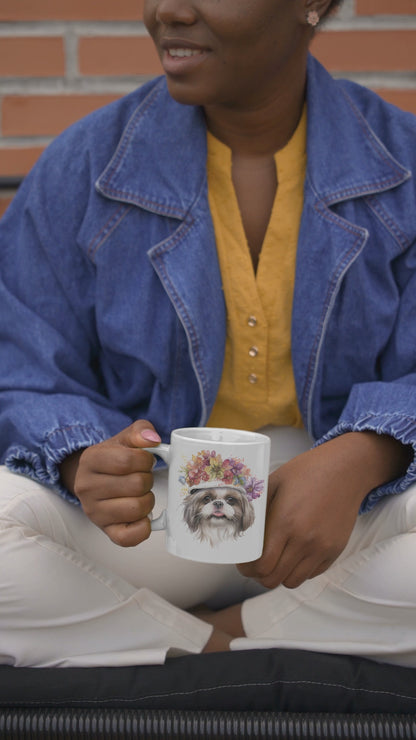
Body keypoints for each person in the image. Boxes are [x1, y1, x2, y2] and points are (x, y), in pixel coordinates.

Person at [1, 0, 416, 668]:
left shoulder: (404, 167)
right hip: (156, 519)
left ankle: (149, 643)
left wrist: (368, 452)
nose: (168, 9)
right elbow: (18, 360)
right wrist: (82, 460)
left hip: (341, 519)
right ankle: (228, 644)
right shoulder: (87, 163)